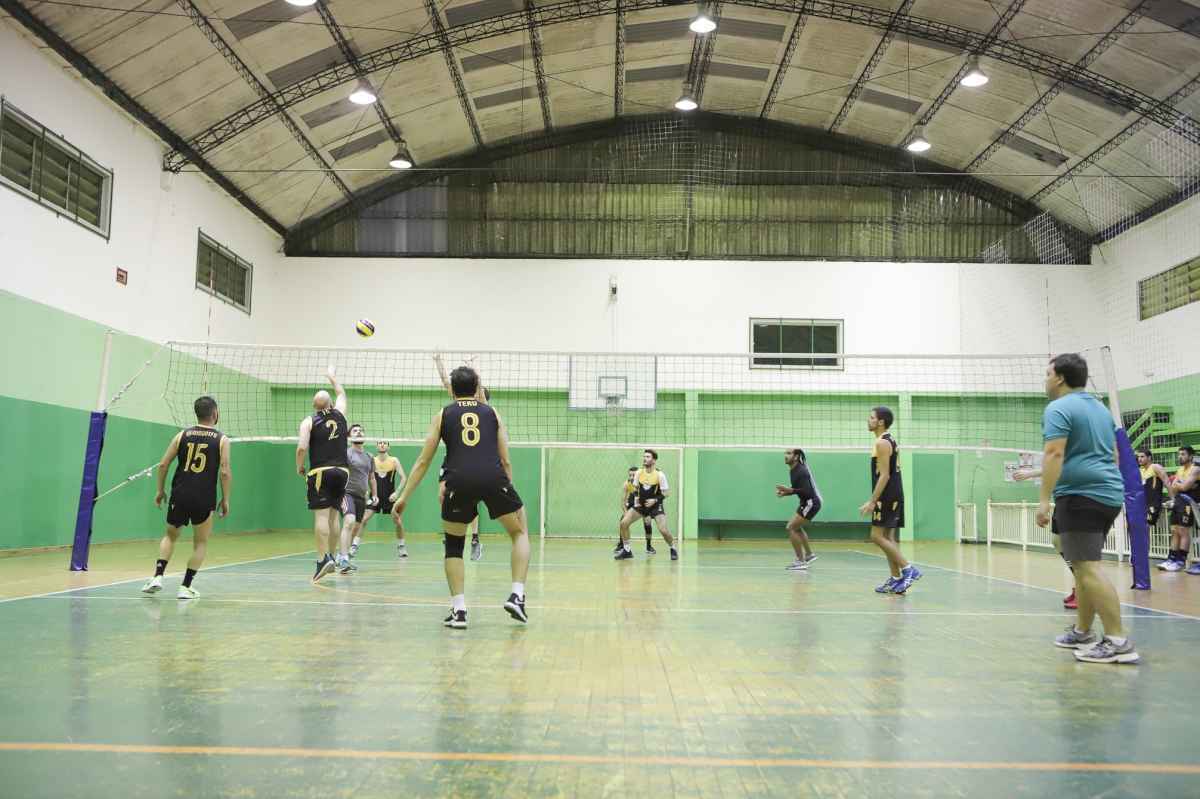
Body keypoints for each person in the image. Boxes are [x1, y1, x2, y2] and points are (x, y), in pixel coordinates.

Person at [393, 366, 530, 629]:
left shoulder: (443, 414)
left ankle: (459, 611)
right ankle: (517, 595)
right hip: (493, 478)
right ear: (477, 386)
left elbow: (423, 461)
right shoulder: (492, 412)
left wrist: (403, 496)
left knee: (454, 546)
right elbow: (505, 459)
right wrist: (507, 489)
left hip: (457, 481)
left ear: (452, 389)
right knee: (519, 532)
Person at [1038, 353, 1139, 664]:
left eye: (1047, 374)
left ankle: (1118, 641)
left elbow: (1054, 453)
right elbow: (1113, 455)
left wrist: (1044, 499)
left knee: (1087, 566)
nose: (1045, 379)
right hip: (1107, 492)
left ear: (1059, 378)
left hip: (1081, 495)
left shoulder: (1058, 408)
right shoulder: (1099, 408)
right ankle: (1083, 631)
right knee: (1081, 565)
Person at [142, 396, 231, 599]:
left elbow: (163, 464)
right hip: (204, 497)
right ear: (215, 413)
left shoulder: (182, 435)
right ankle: (185, 587)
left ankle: (157, 576)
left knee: (170, 536)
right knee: (200, 543)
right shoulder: (222, 440)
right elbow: (225, 472)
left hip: (180, 494)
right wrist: (225, 499)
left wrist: (160, 490)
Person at [859, 406, 921, 594]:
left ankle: (909, 569)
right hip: (892, 494)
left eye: (871, 418)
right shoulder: (885, 440)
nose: (868, 420)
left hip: (888, 495)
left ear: (880, 422)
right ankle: (896, 578)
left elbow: (884, 476)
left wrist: (872, 501)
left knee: (876, 536)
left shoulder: (883, 443)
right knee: (887, 537)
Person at [296, 367, 349, 583]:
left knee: (321, 517)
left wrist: (299, 465)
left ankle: (322, 559)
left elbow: (301, 448)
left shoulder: (309, 421)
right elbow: (342, 394)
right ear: (329, 404)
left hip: (320, 471)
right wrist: (331, 376)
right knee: (334, 516)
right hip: (342, 471)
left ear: (313, 405)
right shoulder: (341, 414)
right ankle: (332, 556)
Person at [435, 353, 485, 561]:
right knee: (442, 494)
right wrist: (439, 362)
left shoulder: (484, 407)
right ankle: (451, 532)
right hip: (453, 459)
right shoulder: (456, 406)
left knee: (472, 502)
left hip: (475, 460)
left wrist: (473, 368)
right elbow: (448, 383)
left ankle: (474, 539)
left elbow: (478, 388)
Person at [1014, 465, 1078, 609]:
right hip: (1062, 499)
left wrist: (1030, 473)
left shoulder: (1073, 451)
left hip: (1075, 500)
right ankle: (1079, 586)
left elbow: (1058, 467)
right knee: (1057, 541)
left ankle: (1083, 590)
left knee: (1075, 549)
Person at [615, 449, 678, 561]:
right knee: (623, 523)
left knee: (663, 530)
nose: (645, 458)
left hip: (655, 506)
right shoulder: (639, 472)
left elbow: (666, 493)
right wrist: (636, 498)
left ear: (654, 460)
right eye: (644, 456)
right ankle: (627, 550)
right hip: (641, 506)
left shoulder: (660, 475)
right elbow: (635, 489)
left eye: (648, 457)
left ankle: (673, 547)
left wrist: (654, 500)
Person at [335, 424, 377, 573]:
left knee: (356, 527)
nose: (359, 432)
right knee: (349, 521)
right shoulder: (346, 454)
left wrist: (375, 494)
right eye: (355, 431)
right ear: (349, 437)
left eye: (361, 431)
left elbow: (372, 477)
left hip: (361, 497)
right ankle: (345, 559)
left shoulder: (369, 457)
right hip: (347, 494)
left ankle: (341, 555)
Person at [357, 440, 407, 559]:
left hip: (390, 498)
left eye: (385, 443)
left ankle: (401, 546)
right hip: (375, 497)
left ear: (388, 446)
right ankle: (354, 545)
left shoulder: (394, 460)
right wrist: (366, 490)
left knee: (398, 521)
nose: (382, 444)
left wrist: (397, 492)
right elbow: (364, 476)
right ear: (376, 446)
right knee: (363, 519)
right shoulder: (372, 460)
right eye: (380, 443)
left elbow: (404, 477)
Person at [776, 448, 820, 570]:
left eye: (789, 453)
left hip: (810, 503)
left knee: (791, 527)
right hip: (805, 502)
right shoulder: (793, 470)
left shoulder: (801, 471)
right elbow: (798, 489)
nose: (785, 456)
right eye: (785, 453)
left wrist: (789, 490)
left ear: (796, 457)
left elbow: (806, 491)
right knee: (797, 527)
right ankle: (809, 555)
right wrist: (786, 493)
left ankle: (800, 561)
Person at [1162, 445, 1200, 572]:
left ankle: (1180, 561)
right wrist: (1180, 484)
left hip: (1189, 502)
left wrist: (1179, 484)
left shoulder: (1196, 469)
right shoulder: (1179, 470)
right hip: (1178, 501)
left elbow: (1183, 487)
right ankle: (1171, 559)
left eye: (1183, 454)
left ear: (1190, 456)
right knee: (1175, 530)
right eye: (1179, 454)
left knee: (1183, 530)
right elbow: (1174, 488)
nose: (1180, 456)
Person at [615, 466, 655, 554]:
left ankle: (649, 546)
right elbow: (623, 501)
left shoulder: (644, 483)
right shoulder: (627, 484)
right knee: (623, 521)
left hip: (643, 506)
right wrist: (625, 512)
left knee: (648, 522)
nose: (632, 477)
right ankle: (622, 545)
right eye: (630, 475)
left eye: (634, 475)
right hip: (632, 506)